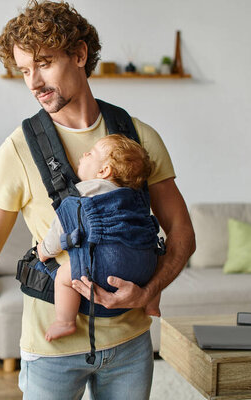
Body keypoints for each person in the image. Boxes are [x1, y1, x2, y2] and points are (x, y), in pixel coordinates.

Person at [0, 1, 196, 398]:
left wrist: (150, 291)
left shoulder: (138, 137)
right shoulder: (16, 150)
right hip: (50, 350)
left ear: (79, 55)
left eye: (43, 63)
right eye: (25, 70)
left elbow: (182, 231)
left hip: (131, 344)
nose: (33, 82)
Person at [36, 134, 162, 342]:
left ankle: (65, 322)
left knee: (64, 278)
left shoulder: (86, 191)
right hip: (143, 267)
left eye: (91, 153)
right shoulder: (135, 197)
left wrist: (45, 250)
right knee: (154, 259)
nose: (84, 154)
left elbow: (63, 226)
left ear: (103, 171)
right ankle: (151, 303)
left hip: (106, 265)